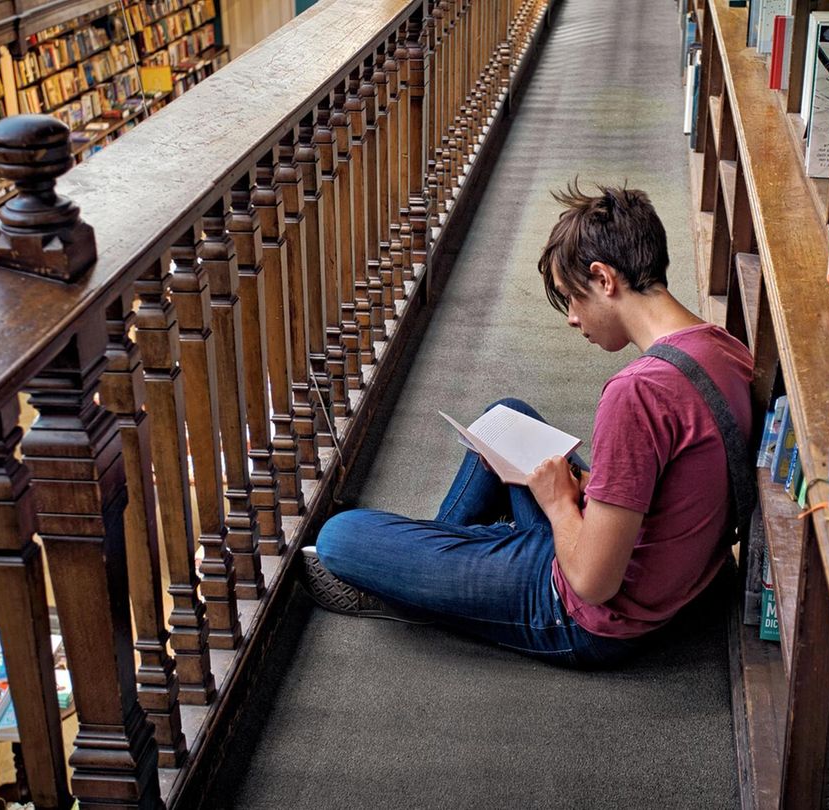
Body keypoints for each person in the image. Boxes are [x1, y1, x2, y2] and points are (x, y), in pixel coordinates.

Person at [303, 183, 754, 668]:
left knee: (340, 536)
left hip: (590, 615)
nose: (573, 320)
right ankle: (435, 572)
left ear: (604, 279)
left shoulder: (638, 392)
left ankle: (425, 584)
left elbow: (593, 582)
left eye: (571, 299)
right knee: (507, 418)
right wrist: (587, 488)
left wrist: (561, 504)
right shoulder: (719, 346)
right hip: (671, 575)